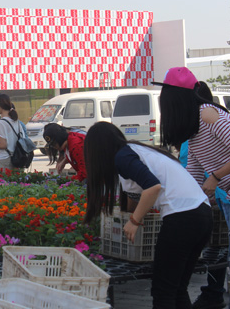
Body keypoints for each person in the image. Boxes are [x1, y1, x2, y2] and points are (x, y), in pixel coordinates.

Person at [157, 66, 230, 309]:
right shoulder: (192, 124)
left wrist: (215, 178)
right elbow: (193, 169)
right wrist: (187, 199)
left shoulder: (207, 115)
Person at [84, 121, 212, 308]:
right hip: (201, 213)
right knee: (177, 289)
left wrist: (134, 221)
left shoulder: (123, 157)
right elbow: (137, 192)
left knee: (163, 291)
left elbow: (153, 187)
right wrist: (129, 215)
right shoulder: (134, 151)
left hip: (183, 217)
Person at [183, 82, 230, 309]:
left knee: (223, 250)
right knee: (222, 248)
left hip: (218, 195)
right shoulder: (212, 120)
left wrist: (208, 186)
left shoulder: (200, 125)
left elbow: (191, 166)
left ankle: (214, 293)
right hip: (218, 194)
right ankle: (214, 292)